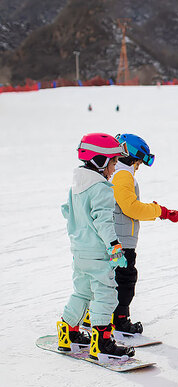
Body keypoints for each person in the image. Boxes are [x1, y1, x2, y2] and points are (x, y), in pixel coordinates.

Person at [57, 133, 135, 361]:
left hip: (79, 251)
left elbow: (67, 211)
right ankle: (102, 343)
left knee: (81, 291)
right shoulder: (102, 188)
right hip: (98, 251)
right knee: (106, 294)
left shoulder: (76, 186)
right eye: (112, 162)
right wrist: (114, 246)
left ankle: (68, 332)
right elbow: (103, 221)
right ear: (100, 161)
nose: (114, 168)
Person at [108, 133, 178, 334]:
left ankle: (100, 315)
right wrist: (160, 211)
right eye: (139, 162)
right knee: (125, 279)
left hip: (116, 238)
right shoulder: (123, 174)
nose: (139, 167)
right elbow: (131, 208)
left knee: (110, 279)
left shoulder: (115, 172)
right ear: (131, 157)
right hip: (121, 242)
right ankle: (120, 319)